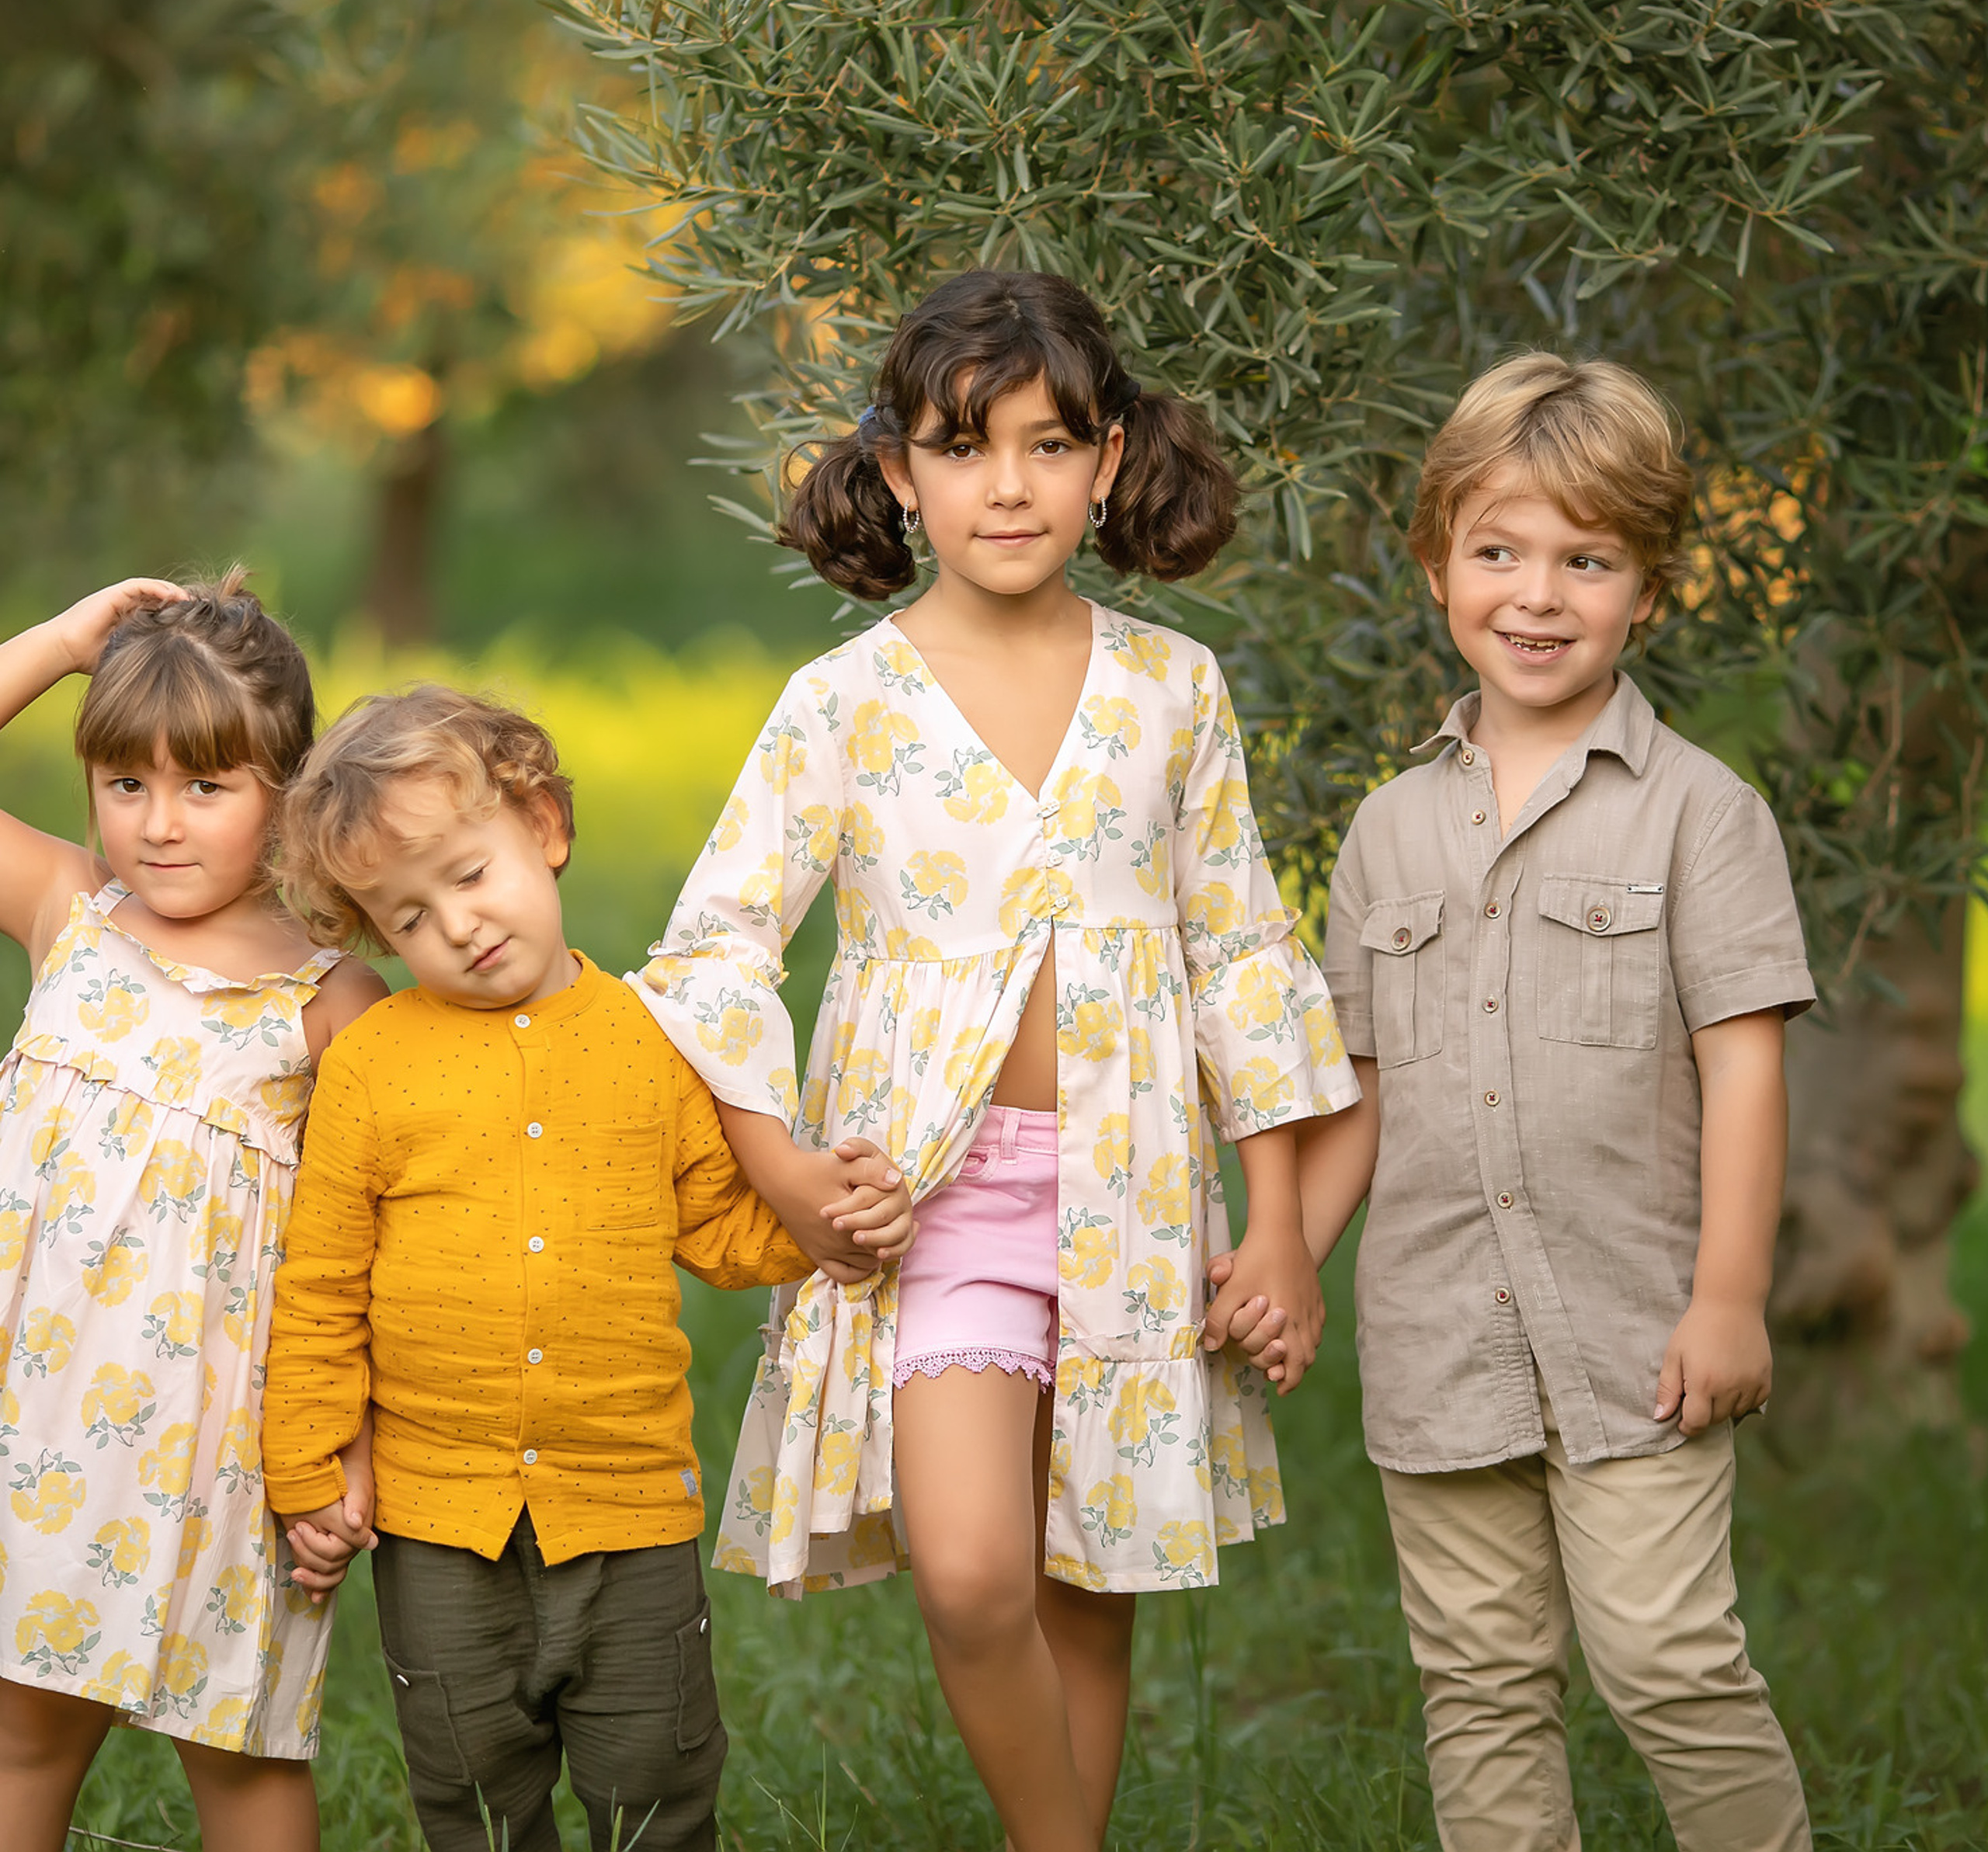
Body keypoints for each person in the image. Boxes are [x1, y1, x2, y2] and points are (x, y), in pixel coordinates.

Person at [636, 269, 1361, 1852]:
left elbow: (1242, 955)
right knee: (973, 1571)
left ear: (1108, 459)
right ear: (899, 473)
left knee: (1086, 1567)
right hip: (931, 1201)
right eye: (963, 449)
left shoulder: (1171, 688)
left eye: (1048, 443)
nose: (1010, 484)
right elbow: (712, 950)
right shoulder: (843, 703)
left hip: (1134, 1197)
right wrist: (788, 1174)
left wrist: (1284, 1226)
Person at [1239, 353, 1815, 1850]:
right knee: (1481, 1683)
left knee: (1670, 1663)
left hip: (1640, 1336)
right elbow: (1358, 1080)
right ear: (1439, 567)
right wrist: (1285, 1244)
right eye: (1499, 551)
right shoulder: (1386, 831)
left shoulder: (1704, 814)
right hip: (1441, 1341)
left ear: (1649, 589)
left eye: (1587, 559)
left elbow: (1744, 1066)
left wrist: (1731, 1296)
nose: (1538, 595)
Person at [260, 685, 912, 1852]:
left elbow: (724, 1227)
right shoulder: (368, 1067)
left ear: (545, 827)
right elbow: (321, 1288)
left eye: (470, 875)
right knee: (473, 1799)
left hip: (627, 1509)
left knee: (656, 1788)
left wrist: (838, 1228)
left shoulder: (653, 1043)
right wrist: (309, 1471)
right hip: (437, 1520)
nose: (455, 926)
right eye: (407, 917)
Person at [0, 573, 384, 1852]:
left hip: (225, 1447)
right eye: (127, 786)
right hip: (37, 1425)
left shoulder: (333, 999)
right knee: (21, 1734)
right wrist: (60, 644)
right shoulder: (70, 916)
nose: (159, 826)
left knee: (241, 1747)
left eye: (206, 787)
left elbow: (381, 1247)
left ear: (286, 786)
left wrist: (352, 1453)